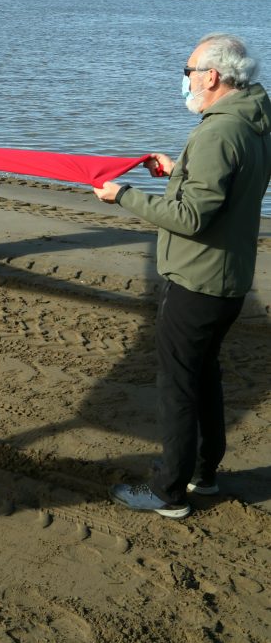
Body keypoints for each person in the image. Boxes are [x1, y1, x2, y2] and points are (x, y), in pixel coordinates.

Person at [95, 33, 271, 518]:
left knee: (177, 385)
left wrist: (124, 196)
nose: (186, 80)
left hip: (197, 281)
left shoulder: (218, 132)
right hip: (230, 280)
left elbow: (193, 219)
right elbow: (226, 189)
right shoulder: (256, 118)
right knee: (205, 375)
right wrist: (176, 174)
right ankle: (204, 472)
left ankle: (168, 491)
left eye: (189, 71)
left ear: (212, 76)